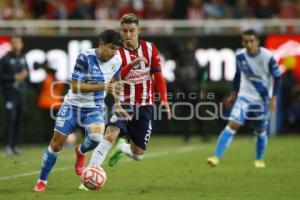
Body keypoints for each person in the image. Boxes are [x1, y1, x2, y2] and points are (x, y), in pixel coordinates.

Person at [77, 13, 171, 190]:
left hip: (145, 105)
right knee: (109, 135)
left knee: (138, 155)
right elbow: (114, 80)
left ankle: (122, 148)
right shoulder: (116, 53)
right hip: (124, 103)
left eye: (131, 31)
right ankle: (88, 176)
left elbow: (158, 76)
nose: (127, 34)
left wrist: (164, 100)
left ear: (138, 30)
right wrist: (131, 65)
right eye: (124, 31)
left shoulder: (150, 49)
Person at [33, 29, 130, 192]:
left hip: (94, 107)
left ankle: (81, 151)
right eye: (111, 48)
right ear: (101, 44)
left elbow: (117, 82)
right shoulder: (85, 58)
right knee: (56, 145)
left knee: (96, 138)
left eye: (117, 49)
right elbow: (75, 86)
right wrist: (104, 86)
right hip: (72, 105)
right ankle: (42, 180)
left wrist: (118, 103)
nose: (114, 53)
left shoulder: (117, 60)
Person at [207, 29, 281, 168]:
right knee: (232, 124)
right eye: (245, 41)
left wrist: (273, 98)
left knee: (260, 131)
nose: (248, 44)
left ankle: (259, 159)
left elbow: (277, 76)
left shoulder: (267, 56)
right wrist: (233, 94)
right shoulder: (240, 56)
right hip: (244, 98)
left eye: (251, 41)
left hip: (262, 100)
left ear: (257, 42)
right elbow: (238, 76)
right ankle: (215, 157)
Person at [0, 36, 29, 156]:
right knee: (11, 119)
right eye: (15, 43)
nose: (18, 45)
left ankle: (14, 145)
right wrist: (13, 77)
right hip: (9, 93)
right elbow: (1, 76)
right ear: (11, 45)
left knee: (18, 119)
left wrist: (25, 74)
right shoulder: (5, 59)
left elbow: (26, 72)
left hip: (20, 93)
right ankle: (7, 146)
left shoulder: (22, 57)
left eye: (19, 42)